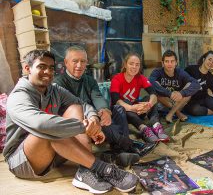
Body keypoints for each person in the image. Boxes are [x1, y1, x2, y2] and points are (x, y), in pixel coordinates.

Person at [3, 50, 138, 194]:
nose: (47, 71)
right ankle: (103, 168)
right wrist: (83, 127)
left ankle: (85, 172)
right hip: (24, 161)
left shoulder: (54, 90)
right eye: (42, 67)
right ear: (27, 69)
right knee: (51, 127)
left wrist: (93, 119)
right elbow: (41, 124)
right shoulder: (18, 96)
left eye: (51, 68)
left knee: (75, 107)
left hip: (54, 152)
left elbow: (82, 104)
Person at [54, 46, 155, 159]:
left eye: (83, 61)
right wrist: (95, 117)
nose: (79, 65)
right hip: (80, 121)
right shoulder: (59, 83)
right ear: (66, 62)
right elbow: (72, 106)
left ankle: (120, 148)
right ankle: (128, 145)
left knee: (118, 109)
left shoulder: (89, 80)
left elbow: (98, 97)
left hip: (95, 116)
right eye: (75, 61)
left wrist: (105, 110)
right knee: (105, 125)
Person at [110, 53, 169, 143]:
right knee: (124, 102)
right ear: (125, 65)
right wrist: (132, 108)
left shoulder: (141, 78)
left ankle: (157, 126)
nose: (134, 67)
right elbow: (116, 100)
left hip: (138, 111)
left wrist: (148, 105)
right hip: (122, 114)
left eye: (137, 64)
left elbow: (153, 94)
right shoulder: (117, 79)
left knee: (148, 98)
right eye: (131, 63)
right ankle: (144, 129)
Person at [149, 50, 199, 123]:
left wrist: (181, 93)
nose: (170, 64)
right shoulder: (157, 72)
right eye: (167, 61)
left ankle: (170, 114)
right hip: (164, 102)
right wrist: (169, 93)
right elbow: (150, 82)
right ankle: (177, 112)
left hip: (178, 102)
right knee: (155, 87)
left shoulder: (180, 72)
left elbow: (196, 83)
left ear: (176, 63)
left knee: (189, 86)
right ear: (163, 63)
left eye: (172, 61)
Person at [184, 51, 213, 116]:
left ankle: (204, 110)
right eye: (209, 59)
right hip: (191, 99)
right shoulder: (191, 69)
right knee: (196, 110)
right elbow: (182, 81)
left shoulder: (211, 77)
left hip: (205, 98)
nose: (211, 63)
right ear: (204, 59)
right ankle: (210, 111)